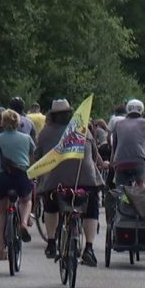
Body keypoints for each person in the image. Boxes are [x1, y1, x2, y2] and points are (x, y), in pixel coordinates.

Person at [35, 99, 107, 265]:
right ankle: (89, 247)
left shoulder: (45, 133)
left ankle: (51, 242)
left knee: (50, 203)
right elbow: (95, 157)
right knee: (91, 208)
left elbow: (37, 157)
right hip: (86, 181)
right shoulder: (83, 130)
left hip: (55, 182)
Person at [0, 109, 36, 261]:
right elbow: (32, 159)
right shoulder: (27, 138)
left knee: (1, 212)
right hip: (21, 175)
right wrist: (32, 175)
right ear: (18, 122)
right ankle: (23, 222)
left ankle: (1, 250)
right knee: (26, 200)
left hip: (2, 177)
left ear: (2, 122)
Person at [111, 99, 145, 186]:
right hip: (138, 160)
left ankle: (121, 198)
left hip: (121, 161)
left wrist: (111, 163)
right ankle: (140, 197)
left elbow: (114, 146)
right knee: (140, 184)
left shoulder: (118, 123)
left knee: (120, 188)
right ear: (142, 110)